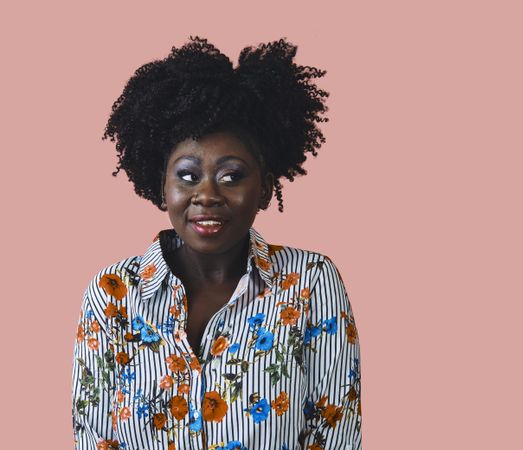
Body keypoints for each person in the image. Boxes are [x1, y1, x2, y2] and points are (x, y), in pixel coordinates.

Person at [71, 36, 362, 450]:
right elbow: (95, 439)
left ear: (264, 190)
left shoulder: (311, 283)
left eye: (231, 176)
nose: (207, 194)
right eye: (188, 176)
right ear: (162, 186)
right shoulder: (112, 296)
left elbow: (336, 434)